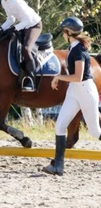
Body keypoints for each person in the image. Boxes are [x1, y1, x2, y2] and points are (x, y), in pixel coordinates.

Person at [42, 16, 101, 176]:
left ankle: (58, 165)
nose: (62, 34)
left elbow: (78, 76)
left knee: (95, 132)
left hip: (85, 91)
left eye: (63, 31)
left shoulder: (79, 50)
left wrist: (58, 77)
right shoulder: (74, 48)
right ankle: (58, 166)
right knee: (60, 126)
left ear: (69, 32)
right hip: (74, 92)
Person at [0, 0, 42, 92]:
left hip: (34, 25)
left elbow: (28, 20)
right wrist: (1, 28)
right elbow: (11, 19)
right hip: (24, 25)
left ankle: (31, 80)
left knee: (26, 49)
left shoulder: (15, 1)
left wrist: (14, 29)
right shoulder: (4, 1)